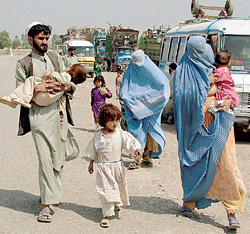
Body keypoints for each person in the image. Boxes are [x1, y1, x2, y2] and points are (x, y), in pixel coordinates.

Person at [173, 36, 246, 230]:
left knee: (226, 165)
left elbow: (231, 93)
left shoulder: (218, 71)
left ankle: (231, 213)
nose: (204, 54)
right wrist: (205, 82)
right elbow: (182, 97)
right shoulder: (183, 72)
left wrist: (229, 102)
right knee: (196, 165)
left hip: (220, 125)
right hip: (196, 128)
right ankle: (190, 202)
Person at [15, 21, 80, 223]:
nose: (44, 42)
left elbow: (71, 86)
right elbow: (20, 93)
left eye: (46, 38)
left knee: (58, 159)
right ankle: (45, 205)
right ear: (30, 39)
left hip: (59, 116)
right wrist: (38, 89)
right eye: (41, 38)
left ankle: (52, 194)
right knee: (45, 160)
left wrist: (62, 86)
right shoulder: (23, 64)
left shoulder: (55, 58)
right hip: (39, 118)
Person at [86, 104, 142, 228]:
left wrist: (136, 149)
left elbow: (129, 142)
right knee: (106, 190)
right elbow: (93, 150)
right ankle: (106, 215)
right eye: (111, 120)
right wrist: (91, 164)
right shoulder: (98, 135)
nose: (115, 123)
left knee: (117, 187)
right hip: (104, 168)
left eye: (117, 120)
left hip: (117, 166)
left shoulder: (120, 133)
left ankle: (116, 204)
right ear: (104, 120)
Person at [120, 50, 170, 169]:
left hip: (152, 109)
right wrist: (131, 101)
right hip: (134, 109)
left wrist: (151, 102)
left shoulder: (153, 72)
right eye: (135, 61)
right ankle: (137, 158)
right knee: (136, 133)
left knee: (149, 133)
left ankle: (147, 157)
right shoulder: (130, 72)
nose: (138, 65)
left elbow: (164, 88)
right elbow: (125, 91)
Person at [0, 64, 87, 109]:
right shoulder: (65, 86)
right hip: (46, 99)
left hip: (43, 97)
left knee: (30, 80)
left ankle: (22, 98)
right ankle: (12, 99)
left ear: (70, 70)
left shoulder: (66, 77)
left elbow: (64, 80)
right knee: (25, 85)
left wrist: (52, 74)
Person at [208, 50, 240, 115]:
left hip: (223, 94)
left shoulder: (218, 71)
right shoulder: (227, 71)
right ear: (229, 63)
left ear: (216, 63)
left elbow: (214, 79)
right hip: (230, 92)